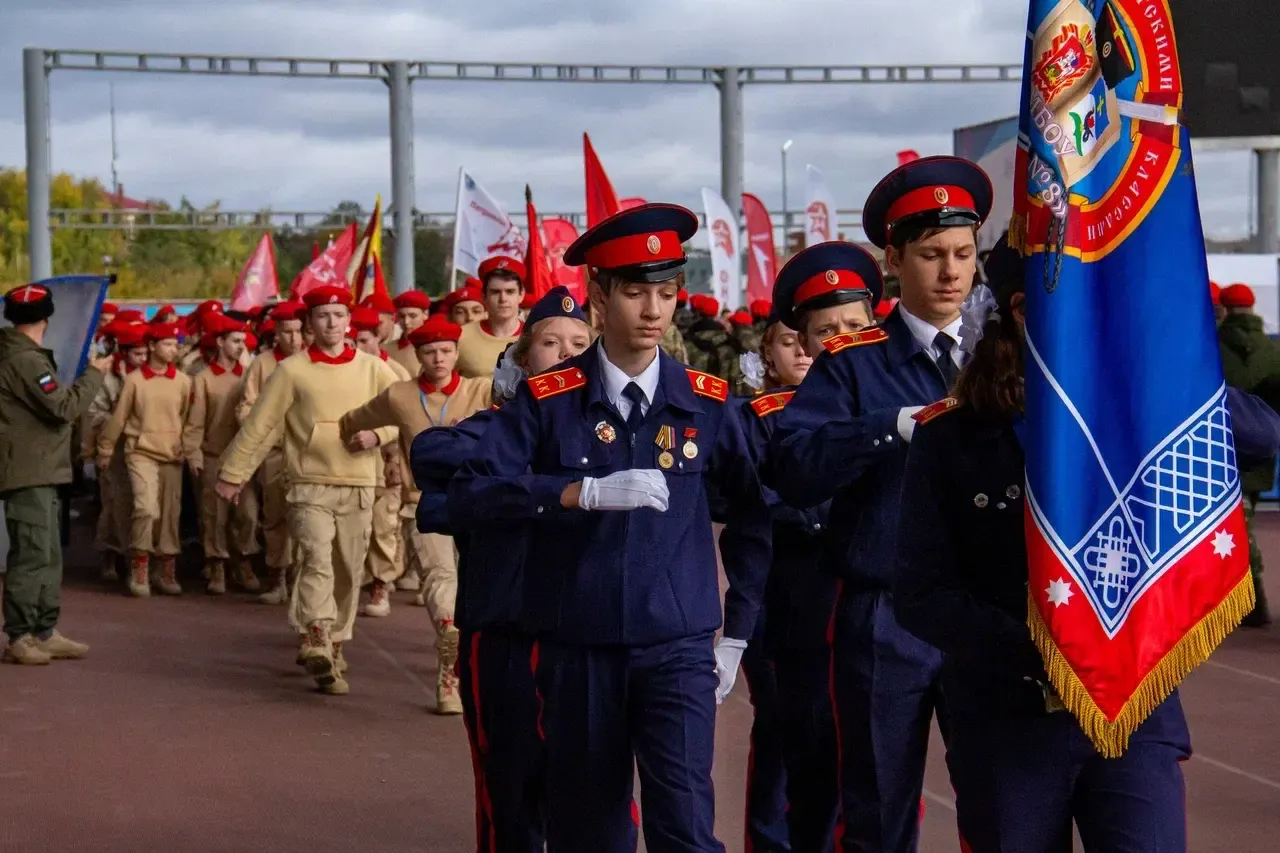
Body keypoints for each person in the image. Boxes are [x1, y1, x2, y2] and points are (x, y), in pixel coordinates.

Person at [892, 236, 1280, 852]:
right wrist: (1046, 641)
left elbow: (1262, 436)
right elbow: (919, 594)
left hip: (1133, 713)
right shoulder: (955, 437)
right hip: (1010, 719)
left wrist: (1152, 367)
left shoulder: (1140, 408)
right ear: (1020, 310)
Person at [449, 203, 771, 852]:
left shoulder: (707, 404)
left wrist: (739, 628)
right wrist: (574, 491)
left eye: (666, 292)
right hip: (577, 646)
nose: (653, 310)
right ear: (598, 296)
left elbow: (756, 509)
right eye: (634, 291)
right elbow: (474, 492)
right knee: (589, 828)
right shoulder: (548, 401)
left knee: (684, 825)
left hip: (677, 646)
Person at [769, 155, 992, 852]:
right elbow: (794, 465)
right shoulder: (853, 360)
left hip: (987, 610)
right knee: (877, 806)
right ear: (893, 258)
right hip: (884, 612)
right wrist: (884, 426)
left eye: (963, 253)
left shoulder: (1004, 350)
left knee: (1000, 801)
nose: (951, 271)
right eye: (930, 254)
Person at [411, 289, 592, 849]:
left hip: (582, 628)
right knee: (508, 789)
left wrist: (499, 492)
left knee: (587, 788)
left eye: (580, 345)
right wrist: (540, 467)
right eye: (550, 343)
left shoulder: (610, 431)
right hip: (503, 624)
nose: (565, 354)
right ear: (522, 358)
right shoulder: (497, 424)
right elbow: (430, 458)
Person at [216, 285, 399, 695]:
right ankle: (316, 633)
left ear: (349, 320)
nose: (331, 323)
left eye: (338, 314)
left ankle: (334, 643)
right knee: (316, 558)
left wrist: (379, 435)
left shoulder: (374, 369)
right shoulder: (291, 370)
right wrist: (234, 472)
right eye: (322, 316)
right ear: (309, 323)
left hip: (358, 484)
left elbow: (403, 410)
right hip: (307, 483)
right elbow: (261, 425)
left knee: (348, 568)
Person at [720, 307, 832, 853]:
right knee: (782, 732)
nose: (805, 352)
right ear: (767, 352)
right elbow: (748, 504)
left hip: (840, 591)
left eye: (813, 340)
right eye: (791, 341)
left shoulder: (852, 407)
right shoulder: (751, 416)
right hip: (775, 593)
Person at [343, 312, 494, 706]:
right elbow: (356, 419)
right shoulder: (400, 394)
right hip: (423, 505)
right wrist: (346, 435)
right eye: (430, 352)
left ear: (458, 352)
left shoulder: (482, 390)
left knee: (482, 585)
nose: (439, 359)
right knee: (439, 578)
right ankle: (449, 662)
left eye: (446, 351)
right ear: (418, 356)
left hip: (482, 504)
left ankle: (478, 665)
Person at [0, 283, 110, 665]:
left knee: (46, 554)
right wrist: (94, 375)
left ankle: (43, 630)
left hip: (38, 467)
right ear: (46, 319)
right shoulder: (26, 361)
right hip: (29, 469)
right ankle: (21, 636)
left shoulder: (20, 355)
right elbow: (62, 408)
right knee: (32, 555)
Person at [97, 321, 193, 598]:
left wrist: (185, 446)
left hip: (172, 455)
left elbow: (188, 419)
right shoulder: (135, 381)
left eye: (175, 345)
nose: (173, 350)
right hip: (140, 452)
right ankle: (139, 565)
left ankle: (165, 571)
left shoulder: (184, 382)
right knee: (145, 508)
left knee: (169, 516)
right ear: (152, 346)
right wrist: (104, 450)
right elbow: (119, 418)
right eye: (167, 344)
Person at [181, 314, 261, 595]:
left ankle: (244, 561)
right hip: (213, 455)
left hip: (242, 457)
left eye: (244, 341)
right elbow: (195, 422)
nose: (241, 347)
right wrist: (193, 454)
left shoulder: (249, 376)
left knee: (248, 513)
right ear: (220, 342)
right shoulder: (203, 379)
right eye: (235, 341)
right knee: (214, 515)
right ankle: (216, 564)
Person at [236, 299, 306, 605]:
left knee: (305, 517)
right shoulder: (262, 364)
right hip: (275, 452)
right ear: (276, 331)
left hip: (308, 451)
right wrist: (261, 427)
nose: (293, 338)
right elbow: (246, 406)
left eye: (297, 331)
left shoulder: (312, 360)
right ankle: (278, 578)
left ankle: (302, 581)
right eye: (286, 332)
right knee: (275, 516)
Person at [1216, 282, 1278, 628]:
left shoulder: (1213, 344)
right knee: (1244, 525)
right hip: (1260, 444)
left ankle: (1246, 601)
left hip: (1223, 450)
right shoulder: (1270, 350)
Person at [350, 306, 412, 616]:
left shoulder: (396, 373)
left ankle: (380, 585)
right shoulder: (346, 370)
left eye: (363, 340)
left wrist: (394, 455)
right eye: (353, 341)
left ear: (378, 338)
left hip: (388, 459)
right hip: (351, 461)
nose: (358, 348)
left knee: (384, 525)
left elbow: (406, 420)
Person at [82, 322, 148, 583]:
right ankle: (110, 555)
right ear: (124, 352)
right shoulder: (108, 377)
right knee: (113, 503)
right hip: (113, 449)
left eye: (145, 354)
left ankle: (136, 558)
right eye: (137, 354)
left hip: (142, 448)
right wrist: (88, 454)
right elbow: (92, 415)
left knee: (139, 505)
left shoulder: (151, 375)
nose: (142, 359)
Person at [456, 256, 525, 378]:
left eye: (510, 292)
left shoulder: (536, 336)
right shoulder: (460, 336)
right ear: (484, 296)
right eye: (495, 292)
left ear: (521, 294)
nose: (503, 299)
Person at [686, 293, 746, 393]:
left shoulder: (688, 338)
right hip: (721, 395)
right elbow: (734, 376)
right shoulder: (729, 342)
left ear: (700, 312)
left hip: (692, 394)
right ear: (716, 312)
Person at [390, 290, 432, 377]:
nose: (406, 322)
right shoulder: (386, 349)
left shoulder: (434, 348)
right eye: (402, 316)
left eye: (412, 316)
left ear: (425, 314)